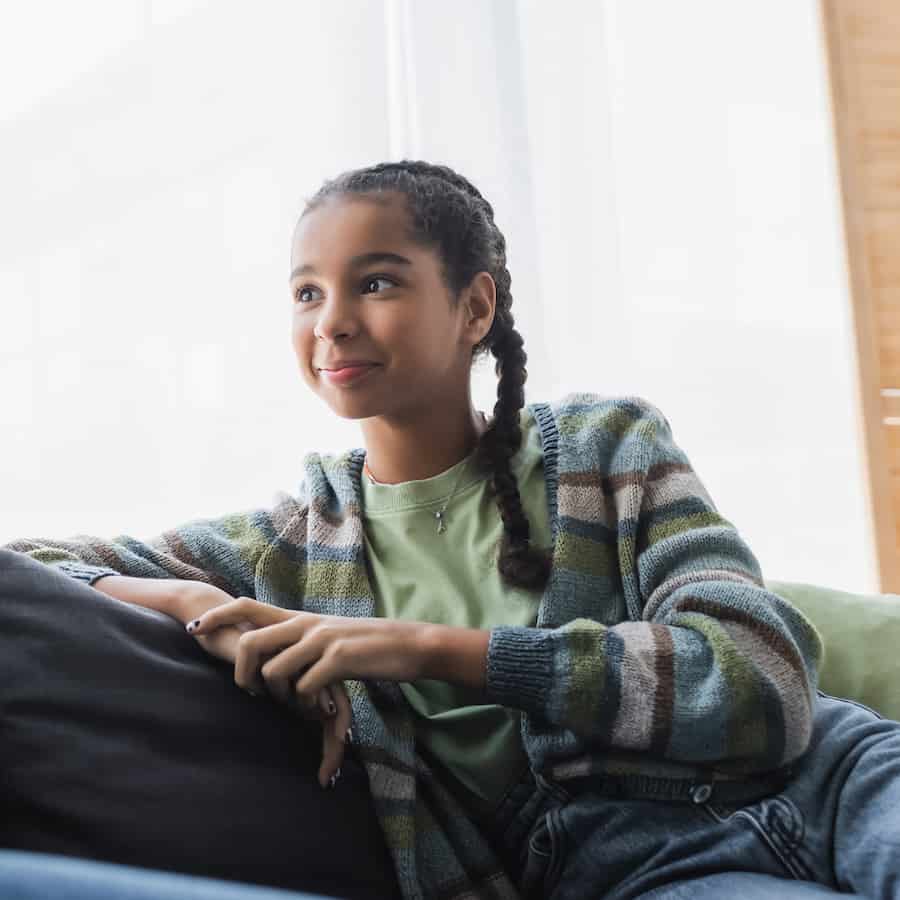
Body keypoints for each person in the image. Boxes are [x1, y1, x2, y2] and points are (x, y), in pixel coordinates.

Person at [5, 159, 900, 900]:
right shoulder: (288, 549)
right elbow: (28, 567)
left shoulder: (606, 446)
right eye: (306, 293)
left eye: (377, 281)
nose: (332, 322)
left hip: (843, 780)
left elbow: (761, 677)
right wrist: (191, 596)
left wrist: (428, 648)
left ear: (474, 307)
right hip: (642, 873)